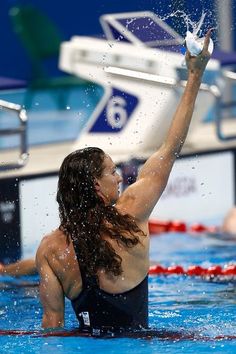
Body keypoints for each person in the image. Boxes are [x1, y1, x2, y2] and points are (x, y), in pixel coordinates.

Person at [30, 32, 212, 336]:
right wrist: (195, 74)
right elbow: (171, 147)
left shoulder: (51, 249)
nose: (119, 177)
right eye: (112, 172)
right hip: (144, 344)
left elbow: (51, 330)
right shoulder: (131, 216)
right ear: (98, 187)